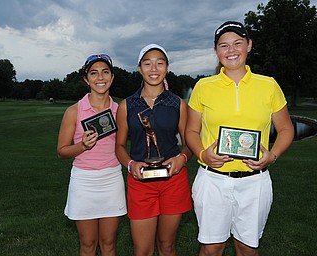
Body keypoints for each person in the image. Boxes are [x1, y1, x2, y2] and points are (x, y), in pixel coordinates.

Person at [185, 21, 294, 256]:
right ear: (216, 51)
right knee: (211, 248)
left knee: (247, 249)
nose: (231, 50)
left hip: (255, 182)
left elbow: (285, 129)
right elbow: (191, 131)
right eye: (223, 45)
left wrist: (272, 156)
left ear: (249, 45)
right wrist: (204, 154)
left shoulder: (269, 85)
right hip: (212, 180)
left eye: (237, 43)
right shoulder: (203, 86)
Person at [115, 44, 192, 256]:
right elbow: (120, 146)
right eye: (147, 63)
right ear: (139, 68)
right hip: (140, 183)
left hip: (173, 181)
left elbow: (188, 143)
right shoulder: (127, 105)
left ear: (167, 67)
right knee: (143, 251)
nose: (154, 68)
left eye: (160, 63)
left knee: (167, 247)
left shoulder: (178, 103)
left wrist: (182, 158)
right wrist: (131, 165)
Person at [57, 54, 127, 256]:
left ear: (112, 77)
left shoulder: (120, 110)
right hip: (84, 182)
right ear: (86, 79)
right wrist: (82, 146)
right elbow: (62, 151)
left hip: (112, 179)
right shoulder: (74, 111)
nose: (100, 77)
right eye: (93, 73)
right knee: (88, 244)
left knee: (108, 243)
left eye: (105, 72)